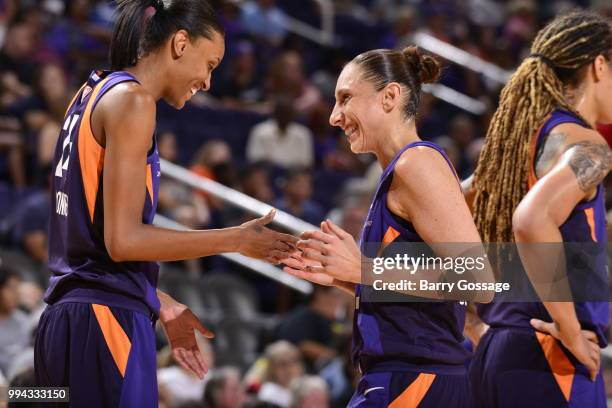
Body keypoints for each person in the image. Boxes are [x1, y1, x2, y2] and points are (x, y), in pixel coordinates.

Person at [34, 1, 297, 407]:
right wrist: (235, 240)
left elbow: (93, 241)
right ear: (179, 44)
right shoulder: (134, 102)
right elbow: (123, 240)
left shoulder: (91, 91)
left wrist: (160, 301)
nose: (208, 81)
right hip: (105, 325)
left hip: (62, 323)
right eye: (209, 64)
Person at [283, 46, 493, 407]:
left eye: (345, 98)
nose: (334, 116)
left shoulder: (418, 163)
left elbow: (478, 280)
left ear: (390, 96)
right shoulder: (399, 171)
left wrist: (363, 269)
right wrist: (342, 277)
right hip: (403, 378)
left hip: (417, 379)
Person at [466, 11, 612, 407]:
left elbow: (444, 211)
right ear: (599, 65)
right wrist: (568, 330)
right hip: (551, 356)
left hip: (495, 350)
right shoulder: (589, 146)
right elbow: (531, 221)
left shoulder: (511, 151)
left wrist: (470, 318)